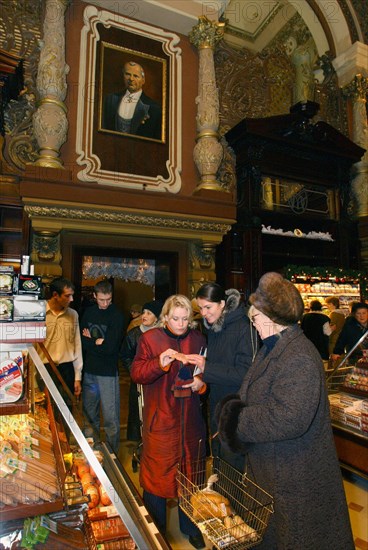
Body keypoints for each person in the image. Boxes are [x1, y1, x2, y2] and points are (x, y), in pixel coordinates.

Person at [216, 272, 354, 550]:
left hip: (294, 477)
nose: (253, 324)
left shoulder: (299, 356)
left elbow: (288, 418)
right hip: (273, 470)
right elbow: (250, 391)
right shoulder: (274, 347)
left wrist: (235, 419)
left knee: (295, 538)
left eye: (254, 318)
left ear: (269, 318)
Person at [130, 295, 207, 549]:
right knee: (157, 478)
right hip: (161, 421)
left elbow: (205, 373)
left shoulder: (197, 339)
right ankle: (155, 531)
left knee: (191, 476)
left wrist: (201, 383)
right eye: (175, 318)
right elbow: (137, 373)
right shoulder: (150, 339)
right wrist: (158, 363)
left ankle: (191, 527)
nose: (181, 324)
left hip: (191, 420)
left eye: (186, 319)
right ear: (165, 317)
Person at [186, 282, 254, 470]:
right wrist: (200, 377)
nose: (204, 313)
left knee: (231, 464)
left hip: (235, 407)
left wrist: (207, 368)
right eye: (200, 308)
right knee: (218, 459)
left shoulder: (243, 327)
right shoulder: (213, 328)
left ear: (222, 304)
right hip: (216, 403)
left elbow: (244, 374)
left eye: (208, 307)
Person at [80, 279, 124, 453]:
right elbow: (82, 342)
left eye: (109, 299)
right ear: (94, 296)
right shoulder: (88, 313)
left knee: (111, 419)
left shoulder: (118, 315)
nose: (105, 303)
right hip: (89, 370)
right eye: (101, 300)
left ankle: (112, 455)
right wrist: (95, 342)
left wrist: (93, 342)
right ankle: (91, 452)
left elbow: (110, 348)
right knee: (89, 417)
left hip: (108, 373)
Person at [36, 277, 82, 407]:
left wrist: (77, 377)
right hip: (44, 369)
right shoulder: (38, 313)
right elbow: (31, 348)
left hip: (67, 370)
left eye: (72, 295)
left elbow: (77, 346)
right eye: (67, 296)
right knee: (45, 411)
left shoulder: (73, 315)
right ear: (55, 295)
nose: (71, 299)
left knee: (67, 413)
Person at [121, 300, 163, 441]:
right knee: (139, 414)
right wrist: (135, 372)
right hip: (139, 382)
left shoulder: (163, 334)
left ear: (157, 317)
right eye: (144, 312)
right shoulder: (134, 334)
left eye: (149, 313)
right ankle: (140, 445)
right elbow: (125, 356)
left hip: (158, 382)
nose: (144, 315)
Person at [102, 61, 162, 140]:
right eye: (128, 74)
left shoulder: (154, 108)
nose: (131, 79)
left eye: (136, 76)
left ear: (143, 80)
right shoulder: (110, 100)